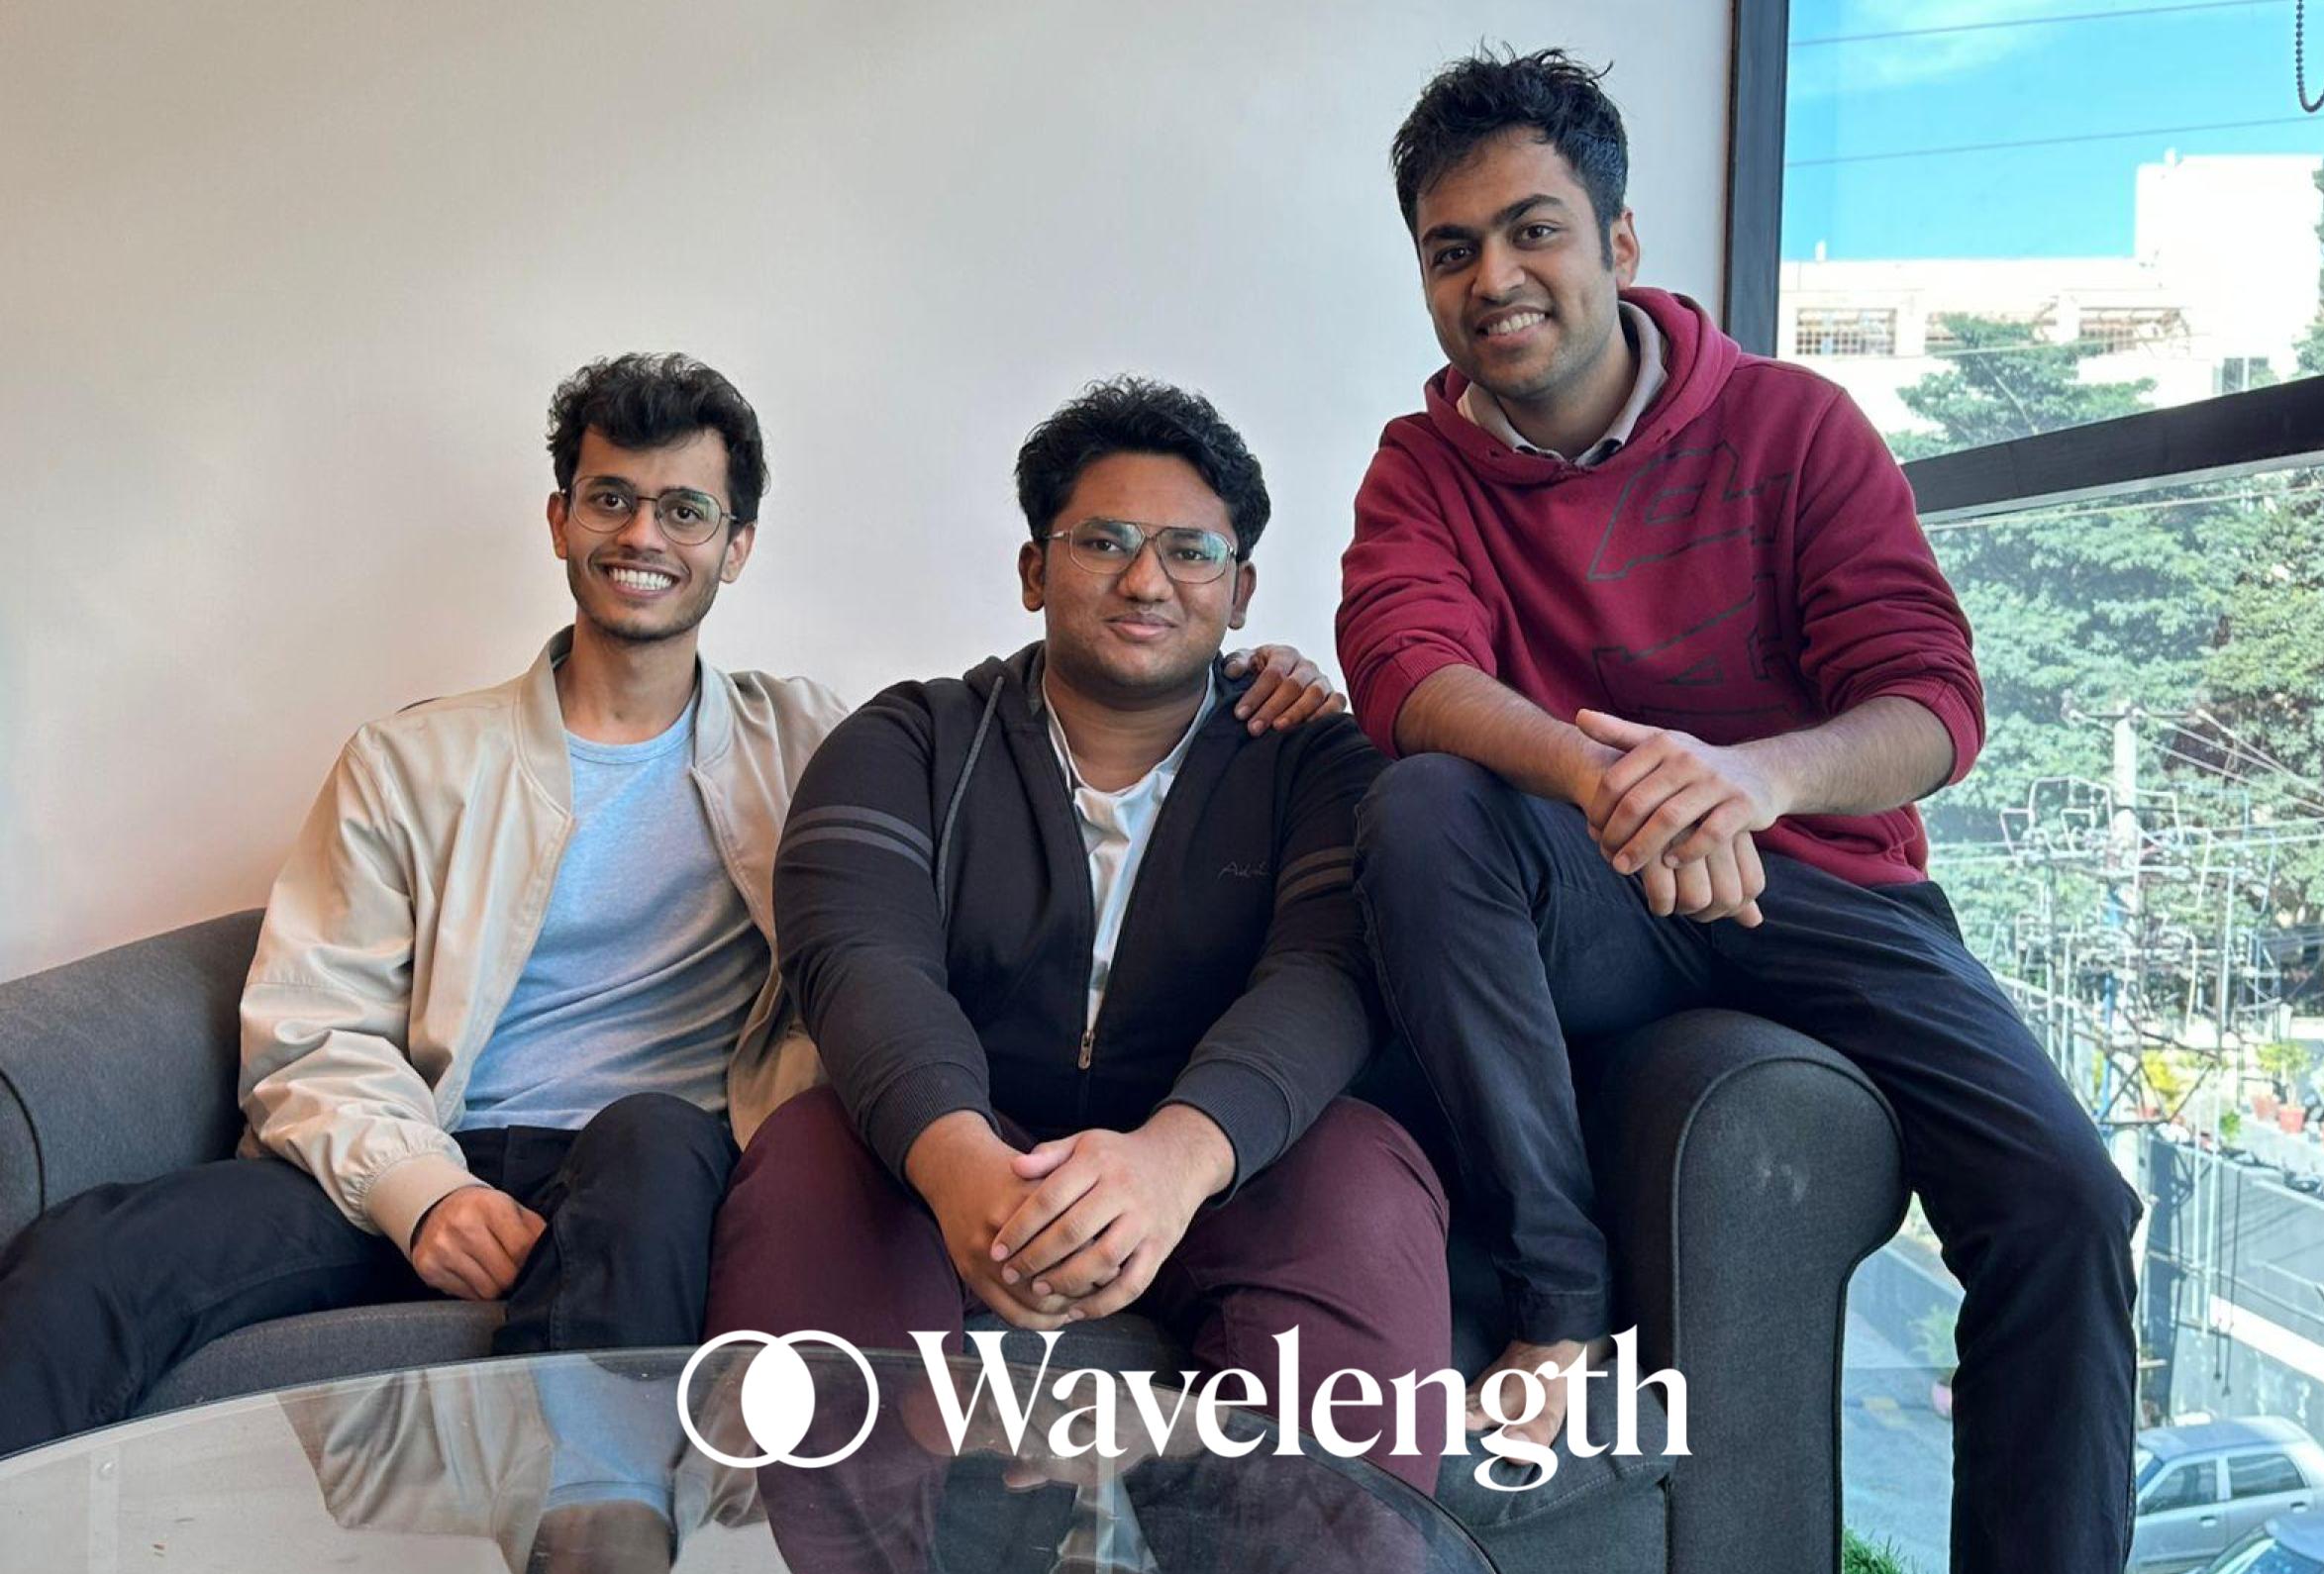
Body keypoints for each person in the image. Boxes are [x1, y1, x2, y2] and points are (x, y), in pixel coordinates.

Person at [0, 353, 1337, 1466]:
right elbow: (311, 1026)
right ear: (560, 520)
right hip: (413, 1143)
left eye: (686, 510)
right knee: (92, 1256)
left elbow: (1034, 730)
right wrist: (418, 1191)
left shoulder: (817, 746)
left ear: (735, 546)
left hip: (655, 1158)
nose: (644, 536)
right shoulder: (411, 760)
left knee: (644, 1153)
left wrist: (1245, 672)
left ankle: (593, 1540)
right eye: (612, 498)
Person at [1337, 49, 2144, 1574]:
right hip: (1594, 889)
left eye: (1532, 230)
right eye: (1452, 251)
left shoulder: (1794, 426)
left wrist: (1754, 777)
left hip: (1828, 888)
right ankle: (1555, 1302)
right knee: (1425, 810)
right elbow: (1405, 672)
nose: (1493, 278)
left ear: (1619, 241)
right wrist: (1623, 783)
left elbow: (1932, 704)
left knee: (2068, 1205)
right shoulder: (1422, 468)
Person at [705, 377, 1453, 1522]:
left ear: (1242, 591)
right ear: (1032, 570)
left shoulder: (1315, 763)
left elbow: (1328, 972)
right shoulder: (907, 743)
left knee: (1363, 1169)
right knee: (812, 1149)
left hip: (1226, 1161)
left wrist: (1173, 1163)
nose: (1147, 580)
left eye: (1191, 552)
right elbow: (858, 962)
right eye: (1103, 541)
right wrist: (959, 1166)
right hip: (969, 1143)